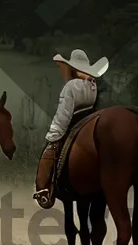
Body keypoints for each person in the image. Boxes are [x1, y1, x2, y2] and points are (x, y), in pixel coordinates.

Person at [34, 48, 109, 207]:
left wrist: (53, 134)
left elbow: (64, 112)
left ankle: (43, 189)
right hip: (88, 119)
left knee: (50, 149)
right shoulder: (93, 85)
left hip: (73, 122)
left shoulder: (71, 86)